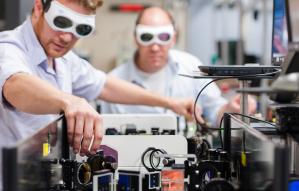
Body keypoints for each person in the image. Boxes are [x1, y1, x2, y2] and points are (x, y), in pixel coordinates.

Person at [0, 0, 197, 155]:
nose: (68, 37)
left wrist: (170, 103)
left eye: (80, 29)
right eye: (61, 22)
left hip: (42, 185)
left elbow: (105, 85)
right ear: (38, 7)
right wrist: (70, 102)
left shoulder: (65, 60)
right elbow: (15, 84)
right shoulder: (9, 48)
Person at [101, 7, 256, 128]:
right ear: (136, 38)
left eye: (163, 37)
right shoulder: (114, 82)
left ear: (173, 38)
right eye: (147, 37)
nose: (155, 47)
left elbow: (215, 114)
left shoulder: (190, 67)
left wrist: (232, 108)